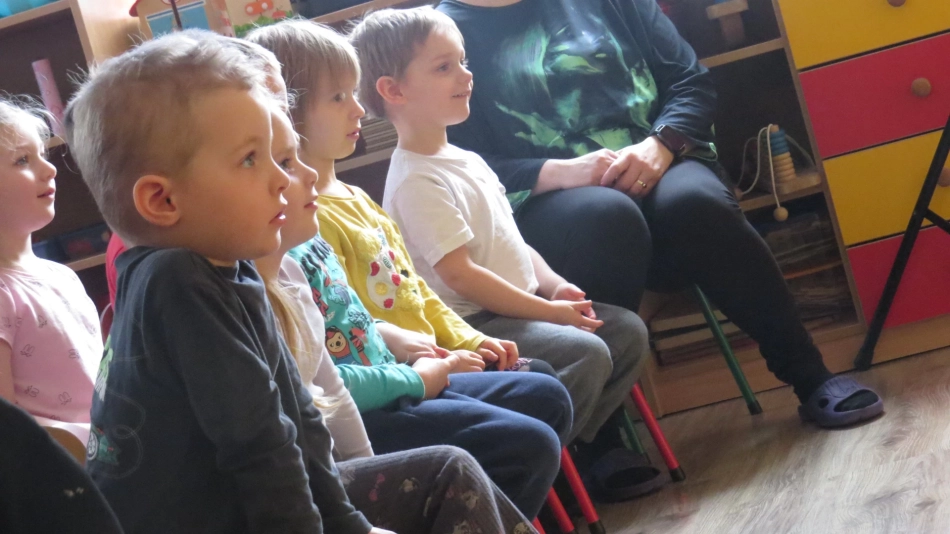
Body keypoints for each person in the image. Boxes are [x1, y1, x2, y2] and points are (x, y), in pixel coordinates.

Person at [64, 30, 536, 534]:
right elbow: (258, 446)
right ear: (162, 201)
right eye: (251, 159)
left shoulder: (231, 268)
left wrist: (349, 523)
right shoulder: (175, 281)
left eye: (279, 158)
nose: (280, 179)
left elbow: (299, 417)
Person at [436, 0, 883, 428]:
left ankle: (810, 375)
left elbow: (690, 82)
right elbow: (451, 158)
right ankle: (602, 433)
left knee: (696, 205)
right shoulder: (442, 33)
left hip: (664, 161)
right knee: (606, 216)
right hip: (548, 201)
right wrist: (560, 172)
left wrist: (661, 144)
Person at [247, 21, 573, 519]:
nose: (359, 109)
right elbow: (324, 385)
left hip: (404, 374)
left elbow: (385, 304)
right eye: (338, 97)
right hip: (390, 392)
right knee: (525, 438)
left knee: (542, 389)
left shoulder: (338, 210)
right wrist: (417, 376)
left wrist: (456, 342)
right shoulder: (295, 234)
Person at [349, 6, 662, 501]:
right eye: (444, 67)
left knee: (626, 332)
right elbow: (463, 276)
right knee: (586, 352)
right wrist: (548, 312)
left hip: (520, 309)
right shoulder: (416, 180)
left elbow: (512, 239)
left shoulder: (467, 159)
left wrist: (554, 286)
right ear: (393, 90)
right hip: (479, 325)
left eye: (463, 61)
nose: (466, 75)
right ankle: (535, 466)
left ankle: (560, 454)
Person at [0, 96, 100, 426]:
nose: (51, 169)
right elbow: (10, 433)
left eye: (43, 154)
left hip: (112, 450)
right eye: (22, 160)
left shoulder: (62, 276)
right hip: (62, 460)